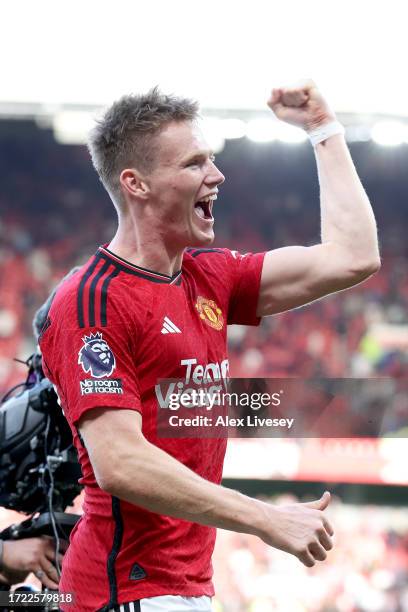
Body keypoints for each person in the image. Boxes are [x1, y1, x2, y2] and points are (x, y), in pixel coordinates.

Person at [39, 81, 380, 612]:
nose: (217, 175)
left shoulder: (210, 276)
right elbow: (121, 463)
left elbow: (353, 256)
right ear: (137, 184)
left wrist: (323, 128)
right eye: (195, 163)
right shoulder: (92, 301)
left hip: (186, 589)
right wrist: (265, 517)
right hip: (123, 593)